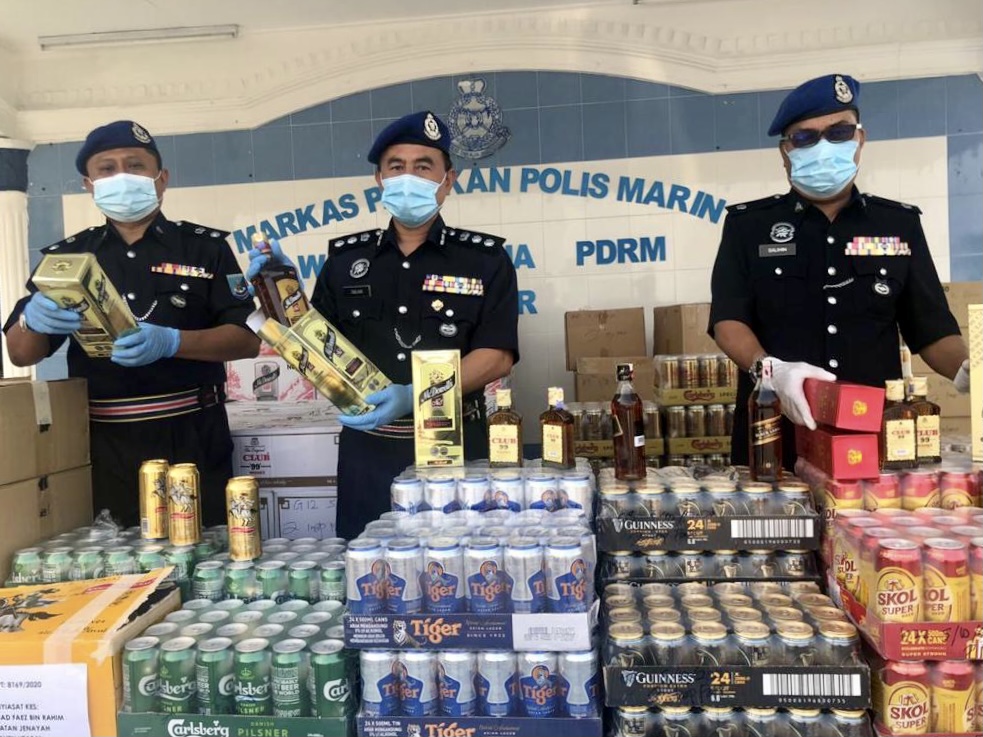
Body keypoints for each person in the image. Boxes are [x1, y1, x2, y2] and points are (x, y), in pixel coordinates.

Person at [247, 110, 519, 539]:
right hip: (369, 448)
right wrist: (280, 290)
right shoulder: (343, 262)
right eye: (397, 167)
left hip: (456, 444)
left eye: (423, 166)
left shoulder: (485, 261)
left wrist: (415, 394)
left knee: (457, 565)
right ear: (380, 179)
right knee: (370, 572)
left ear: (448, 181)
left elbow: (497, 356)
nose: (408, 176)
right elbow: (314, 346)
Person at [3, 120, 260, 525]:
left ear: (161, 179)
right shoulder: (66, 259)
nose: (121, 176)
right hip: (102, 444)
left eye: (135, 165)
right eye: (107, 169)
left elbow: (247, 339)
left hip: (192, 435)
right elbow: (20, 355)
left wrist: (174, 341)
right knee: (113, 565)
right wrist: (30, 320)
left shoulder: (205, 248)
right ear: (89, 184)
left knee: (204, 558)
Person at [708, 74, 970, 468]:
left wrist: (970, 372)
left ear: (859, 141)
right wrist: (771, 371)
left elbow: (932, 330)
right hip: (774, 434)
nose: (823, 145)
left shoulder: (898, 225)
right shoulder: (749, 226)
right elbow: (728, 320)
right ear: (785, 152)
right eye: (805, 137)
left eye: (839, 131)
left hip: (871, 440)